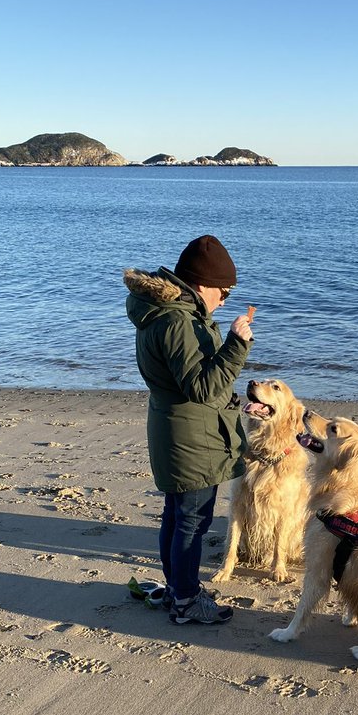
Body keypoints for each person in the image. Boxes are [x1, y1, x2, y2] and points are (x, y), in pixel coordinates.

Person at [123, 235, 254, 624]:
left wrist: (233, 399)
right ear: (202, 285)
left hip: (177, 429)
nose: (224, 301)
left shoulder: (165, 312)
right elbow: (203, 388)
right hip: (191, 438)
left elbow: (193, 382)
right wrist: (236, 344)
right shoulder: (178, 321)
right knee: (192, 521)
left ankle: (178, 588)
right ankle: (185, 599)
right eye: (223, 292)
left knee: (178, 515)